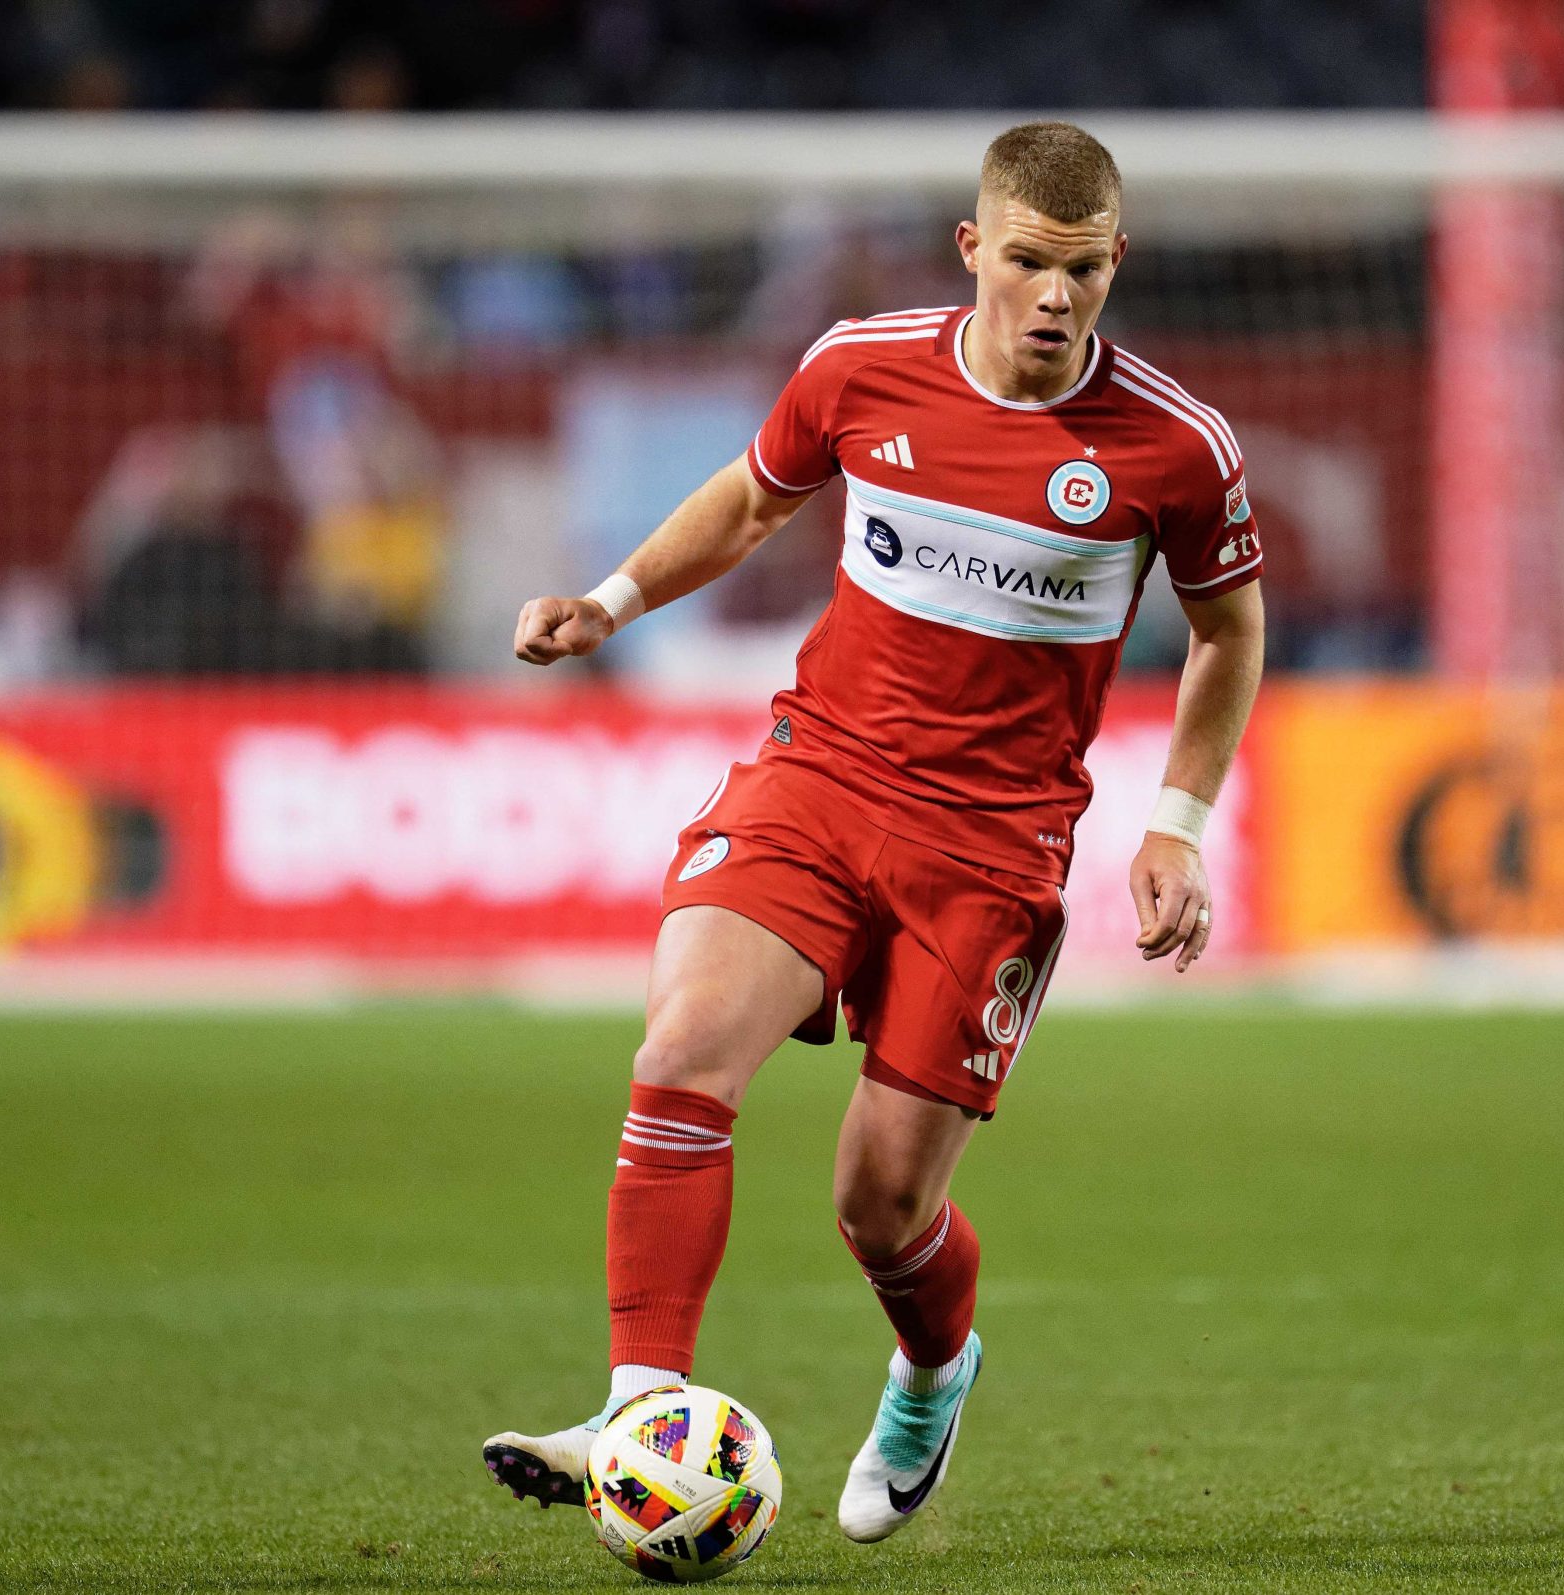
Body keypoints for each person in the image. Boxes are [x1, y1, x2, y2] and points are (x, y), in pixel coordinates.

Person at [483, 122, 1266, 1544]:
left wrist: (1177, 826)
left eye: (1081, 270)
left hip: (993, 844)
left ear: (1115, 263)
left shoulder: (1175, 448)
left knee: (879, 1206)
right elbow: (747, 501)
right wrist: (611, 599)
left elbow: (1229, 633)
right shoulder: (859, 367)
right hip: (820, 775)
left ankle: (932, 1367)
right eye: (1026, 262)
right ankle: (641, 1400)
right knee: (679, 1055)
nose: (1052, 297)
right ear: (975, 249)